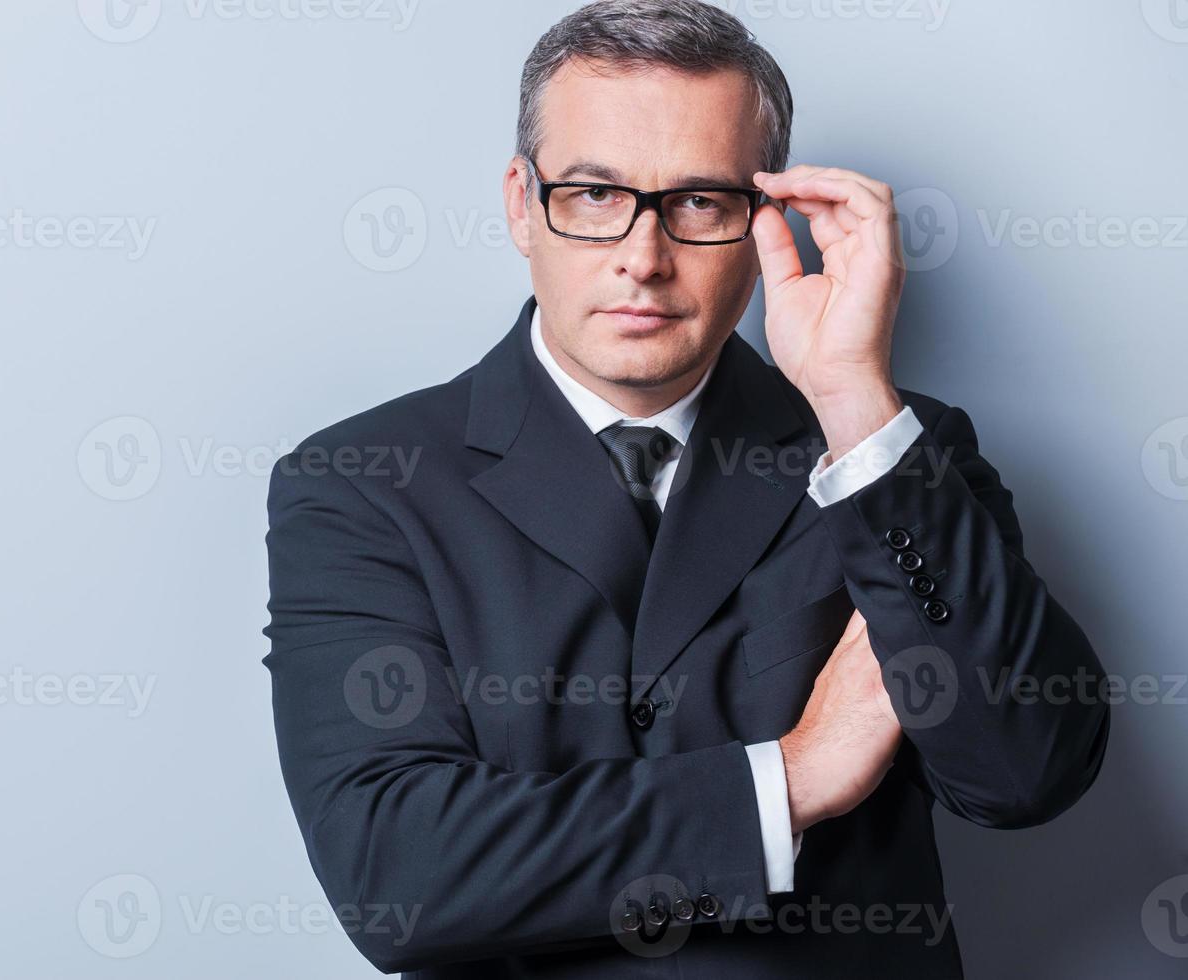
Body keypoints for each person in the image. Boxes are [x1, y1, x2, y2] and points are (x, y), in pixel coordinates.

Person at [262, 2, 1109, 975]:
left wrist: (851, 399)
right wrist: (788, 778)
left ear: (763, 221)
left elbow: (1023, 772)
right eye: (590, 193)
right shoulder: (364, 484)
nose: (641, 256)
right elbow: (397, 876)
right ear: (517, 203)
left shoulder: (895, 455)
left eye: (699, 202)